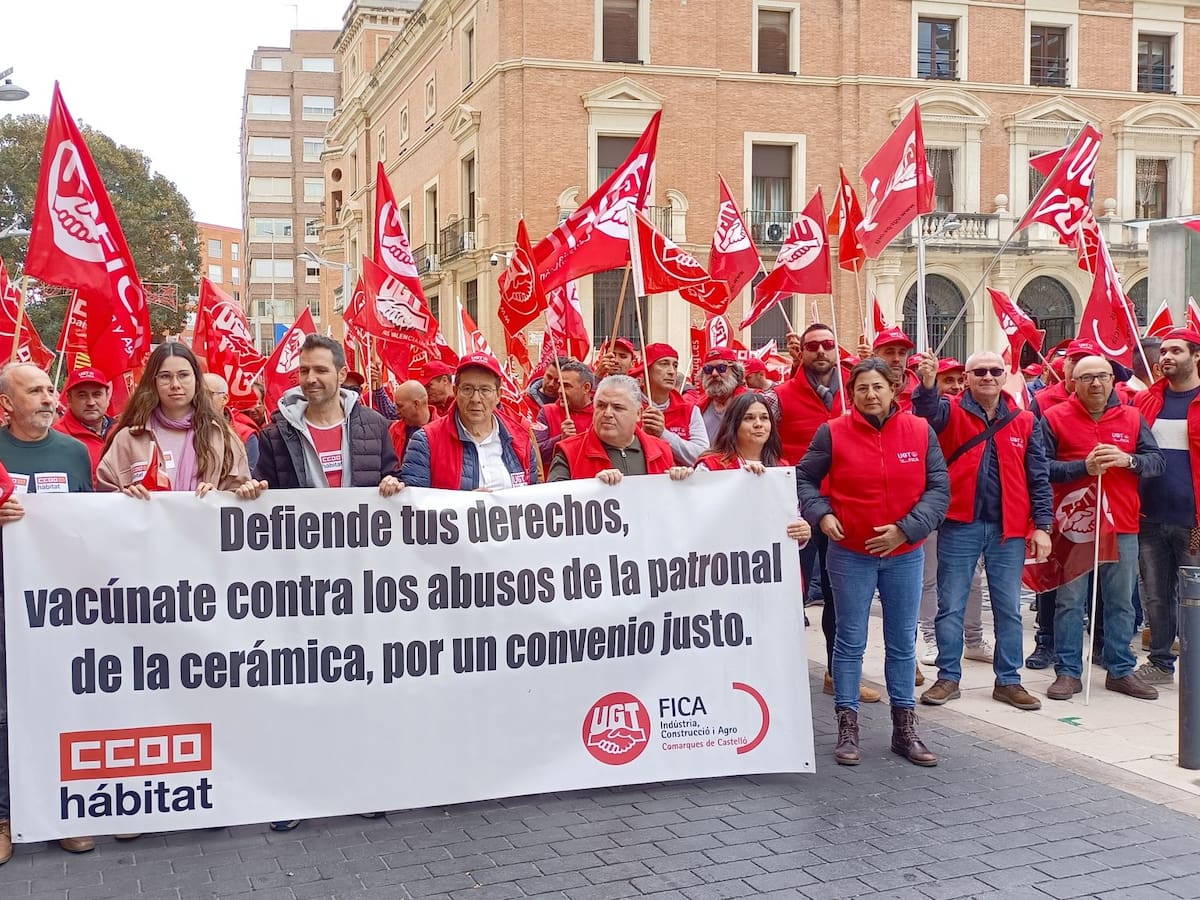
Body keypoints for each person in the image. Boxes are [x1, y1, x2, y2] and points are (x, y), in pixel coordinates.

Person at [797, 358, 949, 767]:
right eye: (861, 387)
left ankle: (904, 728)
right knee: (849, 641)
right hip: (850, 553)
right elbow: (804, 478)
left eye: (877, 386)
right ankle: (848, 726)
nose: (870, 394)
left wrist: (906, 529)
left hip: (904, 554)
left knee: (901, 643)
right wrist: (821, 513)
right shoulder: (832, 432)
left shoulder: (920, 430)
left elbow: (938, 489)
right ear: (852, 393)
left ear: (893, 389)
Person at [912, 351, 1053, 712]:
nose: (988, 376)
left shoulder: (1025, 420)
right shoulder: (949, 410)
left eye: (994, 371)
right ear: (968, 378)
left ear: (1005, 376)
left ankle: (1009, 681)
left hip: (1009, 528)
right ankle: (948, 677)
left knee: (1009, 609)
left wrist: (1043, 526)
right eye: (979, 371)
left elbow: (1038, 476)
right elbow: (926, 413)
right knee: (950, 605)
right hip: (960, 524)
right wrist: (927, 384)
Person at [0, 363, 95, 858]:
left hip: (60, 606)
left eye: (49, 388)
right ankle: (4, 816)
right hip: (4, 601)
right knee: (5, 711)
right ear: (7, 403)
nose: (47, 397)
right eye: (34, 390)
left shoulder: (74, 452)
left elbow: (92, 524)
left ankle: (62, 811)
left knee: (60, 703)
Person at [763, 324, 880, 703]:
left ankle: (838, 674)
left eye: (828, 344)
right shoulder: (778, 397)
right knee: (784, 596)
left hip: (842, 511)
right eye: (812, 345)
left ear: (836, 349)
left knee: (839, 599)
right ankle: (775, 679)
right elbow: (757, 435)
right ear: (800, 352)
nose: (820, 351)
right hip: (792, 512)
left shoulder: (856, 392)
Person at [1041, 355, 1164, 701]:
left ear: (1112, 380)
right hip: (1074, 525)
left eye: (1103, 376)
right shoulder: (1054, 417)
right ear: (1073, 383)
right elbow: (1041, 468)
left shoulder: (1132, 416)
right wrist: (1082, 468)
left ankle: (1120, 669)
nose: (1096, 383)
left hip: (1121, 522)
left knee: (1121, 601)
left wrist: (1129, 460)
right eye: (1087, 377)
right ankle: (1068, 671)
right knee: (1069, 601)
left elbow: (1157, 462)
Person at [96, 345, 261, 498]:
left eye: (183, 375)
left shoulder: (224, 438)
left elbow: (238, 501)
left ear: (196, 380)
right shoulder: (128, 439)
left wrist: (222, 497)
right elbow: (104, 500)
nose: (175, 384)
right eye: (165, 376)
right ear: (153, 382)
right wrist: (127, 498)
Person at [1133, 329, 1200, 686]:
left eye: (1176, 350)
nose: (1166, 357)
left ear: (1196, 356)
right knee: (1156, 596)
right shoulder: (1146, 401)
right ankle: (1160, 662)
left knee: (1195, 596)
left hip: (1194, 522)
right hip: (1150, 517)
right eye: (1164, 351)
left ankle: (1196, 664)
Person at [914, 356, 990, 667]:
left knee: (973, 579)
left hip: (965, 510)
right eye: (949, 380)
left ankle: (973, 639)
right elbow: (928, 409)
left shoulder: (974, 414)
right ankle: (931, 638)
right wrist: (929, 385)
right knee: (931, 578)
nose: (957, 386)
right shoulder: (936, 412)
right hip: (933, 507)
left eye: (961, 380)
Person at [255, 335, 403, 493]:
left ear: (342, 375)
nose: (310, 379)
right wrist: (253, 490)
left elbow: (393, 477)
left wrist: (393, 483)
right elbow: (264, 491)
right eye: (304, 371)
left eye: (321, 370)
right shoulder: (275, 435)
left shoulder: (375, 426)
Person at [401, 352, 539, 490]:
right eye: (467, 389)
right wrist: (468, 502)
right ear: (455, 391)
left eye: (485, 390)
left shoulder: (521, 441)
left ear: (498, 395)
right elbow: (414, 500)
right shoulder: (426, 442)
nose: (476, 399)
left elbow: (533, 496)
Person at [548, 375, 684, 483]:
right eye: (601, 406)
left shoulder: (662, 451)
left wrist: (683, 482)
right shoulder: (569, 452)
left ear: (638, 414)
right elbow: (553, 501)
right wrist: (592, 488)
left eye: (618, 407)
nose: (607, 413)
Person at [638, 343, 708, 465]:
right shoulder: (627, 406)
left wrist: (664, 434)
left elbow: (702, 455)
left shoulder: (689, 410)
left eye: (675, 365)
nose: (672, 371)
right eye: (664, 364)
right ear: (646, 370)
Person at [52, 367, 113, 476]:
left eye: (97, 394)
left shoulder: (122, 430)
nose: (91, 402)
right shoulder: (55, 437)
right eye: (82, 395)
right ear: (69, 399)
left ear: (107, 396)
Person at [536, 361, 595, 467]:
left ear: (586, 388)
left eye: (566, 386)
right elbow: (535, 454)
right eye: (560, 385)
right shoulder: (547, 412)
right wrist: (560, 439)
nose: (559, 391)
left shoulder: (600, 415)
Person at [203, 372, 261, 471]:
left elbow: (250, 476)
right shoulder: (186, 430)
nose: (201, 399)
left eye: (207, 394)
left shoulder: (245, 435)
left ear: (225, 399)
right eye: (197, 394)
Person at [861, 326, 919, 411]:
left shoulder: (921, 393)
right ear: (874, 356)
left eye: (902, 353)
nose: (896, 359)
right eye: (889, 352)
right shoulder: (858, 390)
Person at [697, 348, 748, 440]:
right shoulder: (698, 408)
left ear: (735, 371)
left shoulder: (752, 402)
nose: (714, 374)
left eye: (721, 368)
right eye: (708, 369)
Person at [388, 380, 431, 464]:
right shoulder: (394, 430)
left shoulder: (442, 431)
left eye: (400, 406)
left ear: (416, 404)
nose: (397, 412)